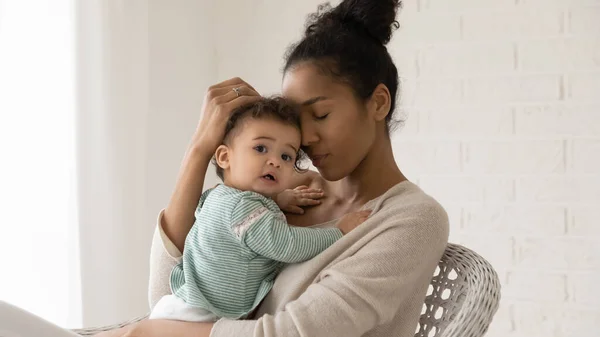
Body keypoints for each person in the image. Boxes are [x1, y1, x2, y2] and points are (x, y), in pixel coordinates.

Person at [0, 0, 448, 336]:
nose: (304, 140)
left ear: (378, 102)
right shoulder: (283, 191)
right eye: (296, 121)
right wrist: (200, 150)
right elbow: (168, 295)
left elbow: (296, 333)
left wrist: (155, 332)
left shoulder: (411, 220)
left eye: (321, 115)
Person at [148, 96, 369, 323]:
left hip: (182, 305)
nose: (275, 161)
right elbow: (287, 244)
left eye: (286, 156)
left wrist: (277, 200)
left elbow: (238, 223)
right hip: (199, 316)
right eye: (260, 148)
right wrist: (338, 232)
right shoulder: (242, 210)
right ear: (225, 156)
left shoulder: (217, 196)